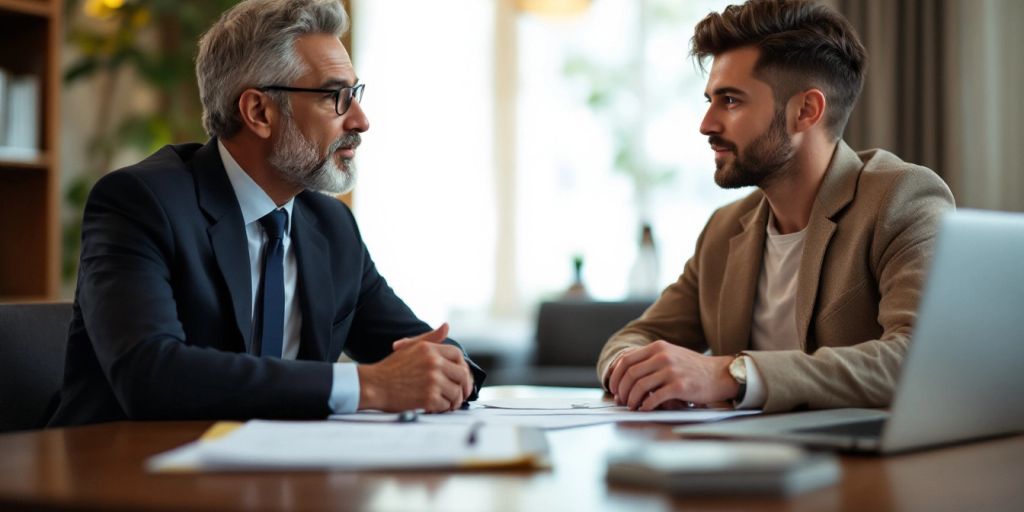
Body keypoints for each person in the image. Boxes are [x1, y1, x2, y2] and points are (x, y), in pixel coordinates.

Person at [49, 0, 484, 427]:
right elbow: (150, 374)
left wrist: (447, 368)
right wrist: (368, 386)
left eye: (355, 94)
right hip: (121, 474)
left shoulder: (331, 226)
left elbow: (418, 348)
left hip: (273, 479)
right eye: (336, 96)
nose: (360, 120)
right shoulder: (142, 202)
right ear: (259, 111)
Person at [597, 0, 954, 413]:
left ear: (806, 111)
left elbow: (919, 360)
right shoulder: (725, 228)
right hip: (743, 466)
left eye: (730, 101)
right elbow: (635, 337)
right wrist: (632, 368)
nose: (706, 124)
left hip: (864, 469)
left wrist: (731, 375)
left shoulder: (902, 199)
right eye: (710, 99)